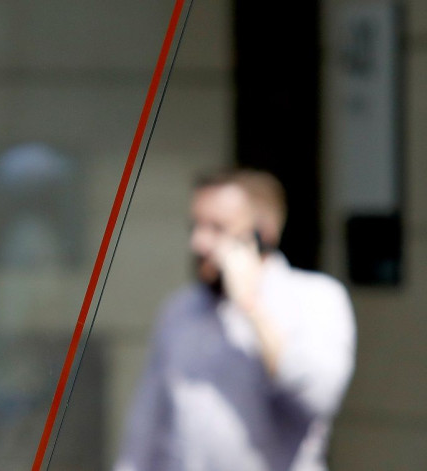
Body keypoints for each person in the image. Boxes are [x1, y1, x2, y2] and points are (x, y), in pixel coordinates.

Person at [114, 168, 357, 471]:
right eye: (196, 226)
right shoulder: (181, 310)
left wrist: (251, 307)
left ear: (262, 234)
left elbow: (317, 398)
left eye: (217, 228)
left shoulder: (316, 298)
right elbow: (147, 425)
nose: (198, 243)